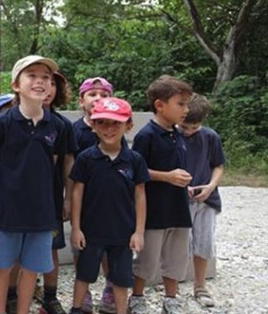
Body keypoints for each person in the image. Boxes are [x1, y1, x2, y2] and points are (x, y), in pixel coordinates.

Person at [0, 55, 67, 314]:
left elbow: (51, 163)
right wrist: (6, 175)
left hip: (42, 211)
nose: (40, 82)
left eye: (46, 78)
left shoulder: (57, 126)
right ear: (16, 85)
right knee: (2, 265)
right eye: (32, 76)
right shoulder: (2, 123)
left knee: (32, 268)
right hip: (10, 210)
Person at [69, 97, 148, 314]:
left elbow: (140, 196)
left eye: (116, 123)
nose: (109, 128)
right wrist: (76, 228)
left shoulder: (134, 160)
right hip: (91, 232)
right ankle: (77, 308)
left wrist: (139, 232)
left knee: (121, 278)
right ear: (93, 125)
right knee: (84, 274)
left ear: (128, 126)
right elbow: (77, 193)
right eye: (102, 122)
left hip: (123, 233)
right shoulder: (86, 158)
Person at [129, 75, 193, 314]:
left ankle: (171, 298)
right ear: (159, 105)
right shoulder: (146, 135)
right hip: (154, 207)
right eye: (181, 103)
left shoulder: (178, 133)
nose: (186, 109)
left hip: (179, 206)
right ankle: (137, 297)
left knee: (177, 255)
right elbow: (136, 169)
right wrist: (167, 176)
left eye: (187, 104)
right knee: (148, 256)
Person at [71, 76, 117, 313]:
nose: (98, 98)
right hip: (84, 203)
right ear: (81, 101)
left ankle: (110, 290)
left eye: (104, 94)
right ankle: (84, 292)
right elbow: (68, 167)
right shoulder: (75, 131)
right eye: (92, 94)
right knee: (83, 248)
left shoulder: (114, 129)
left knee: (110, 249)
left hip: (110, 202)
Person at [178, 93, 225, 308]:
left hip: (207, 199)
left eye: (193, 128)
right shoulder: (171, 135)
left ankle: (200, 285)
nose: (188, 132)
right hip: (179, 200)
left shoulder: (210, 137)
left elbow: (218, 165)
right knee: (178, 246)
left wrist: (210, 186)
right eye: (184, 127)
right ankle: (173, 286)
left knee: (204, 244)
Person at [38, 68, 77, 314]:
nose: (48, 88)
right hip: (19, 200)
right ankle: (13, 294)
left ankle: (50, 297)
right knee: (19, 249)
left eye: (53, 83)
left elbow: (69, 163)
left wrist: (68, 198)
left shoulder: (62, 125)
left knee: (51, 247)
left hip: (51, 198)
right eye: (43, 82)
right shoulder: (11, 119)